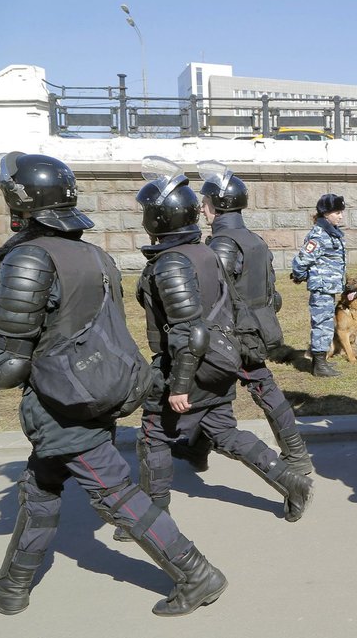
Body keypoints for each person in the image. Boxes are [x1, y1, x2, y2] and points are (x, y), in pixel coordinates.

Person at [0, 152, 226, 617]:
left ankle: (196, 573)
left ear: (19, 201)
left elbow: (11, 365)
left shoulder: (30, 260)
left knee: (116, 494)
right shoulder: (92, 253)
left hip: (63, 404)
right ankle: (13, 584)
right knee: (40, 486)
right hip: (91, 389)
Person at [122, 156, 312, 534]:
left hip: (189, 364)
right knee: (223, 431)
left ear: (159, 218)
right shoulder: (204, 250)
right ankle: (291, 481)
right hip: (218, 358)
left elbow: (188, 330)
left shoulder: (174, 262)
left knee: (153, 436)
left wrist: (178, 386)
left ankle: (153, 521)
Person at [169, 160, 312, 476]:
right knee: (214, 389)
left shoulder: (223, 243)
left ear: (217, 205)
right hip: (256, 327)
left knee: (259, 389)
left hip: (235, 333)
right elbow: (272, 293)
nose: (202, 209)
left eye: (205, 202)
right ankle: (195, 450)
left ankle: (296, 457)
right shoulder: (253, 239)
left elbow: (215, 294)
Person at [291, 193, 346, 378]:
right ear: (325, 213)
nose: (341, 216)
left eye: (341, 212)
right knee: (322, 324)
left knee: (325, 324)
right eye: (337, 212)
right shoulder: (319, 235)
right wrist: (299, 276)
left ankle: (320, 361)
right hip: (322, 287)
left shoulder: (331, 232)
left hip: (328, 286)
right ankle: (319, 365)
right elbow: (301, 260)